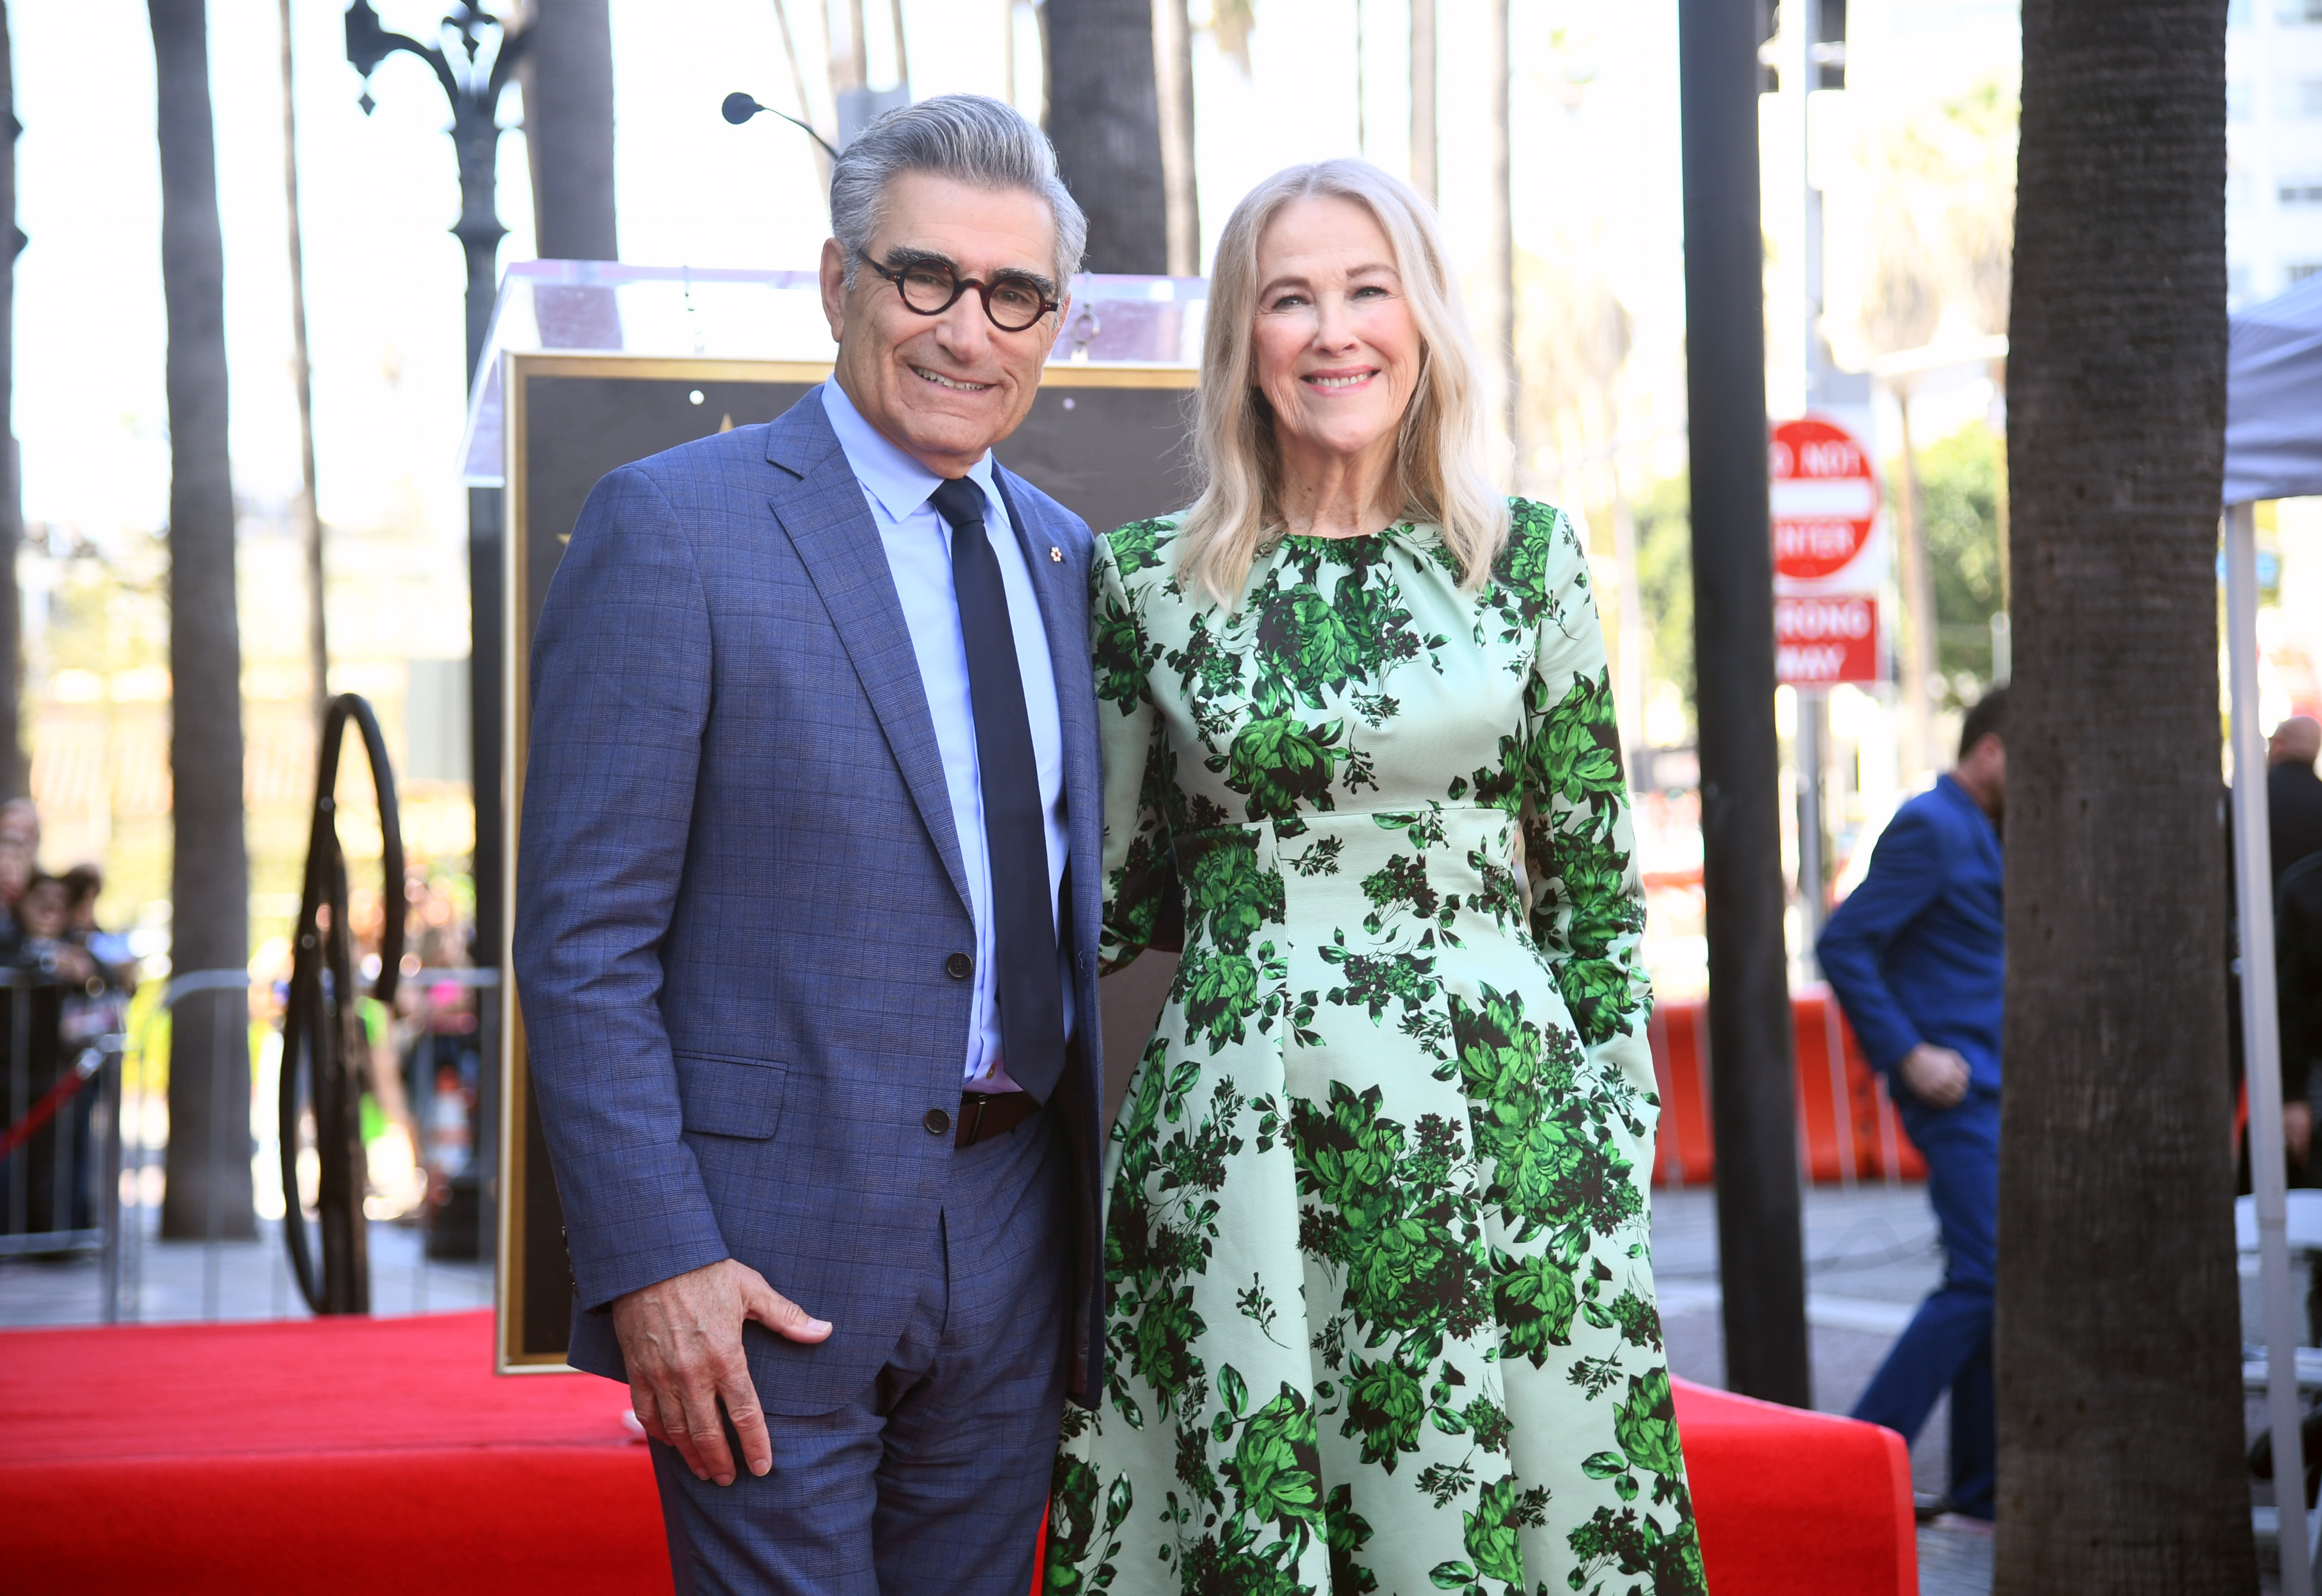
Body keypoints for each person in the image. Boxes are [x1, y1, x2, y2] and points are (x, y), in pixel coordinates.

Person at [1045, 161, 1704, 1596]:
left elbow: (1593, 891)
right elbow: (1106, 902)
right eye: (1290, 297)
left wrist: (1612, 1139)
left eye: (1367, 288)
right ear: (1244, 341)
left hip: (1506, 1139)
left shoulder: (1526, 563)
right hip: (1245, 1146)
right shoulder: (1142, 581)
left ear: (1422, 320)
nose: (1334, 330)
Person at [513, 95, 1105, 1596]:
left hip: (1018, 1229)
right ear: (839, 282)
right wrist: (654, 1261)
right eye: (927, 278)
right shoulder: (674, 528)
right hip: (760, 1263)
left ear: (1051, 325)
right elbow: (583, 944)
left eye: (1014, 294)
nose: (968, 330)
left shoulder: (1064, 557)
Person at [1817, 688, 2008, 1523]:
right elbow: (1841, 940)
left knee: (1987, 1278)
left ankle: (1978, 1487)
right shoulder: (1932, 824)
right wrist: (1906, 1053)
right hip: (1952, 1089)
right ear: (1994, 749)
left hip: (1988, 1086)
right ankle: (1849, 1460)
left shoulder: (1978, 828)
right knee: (1984, 1273)